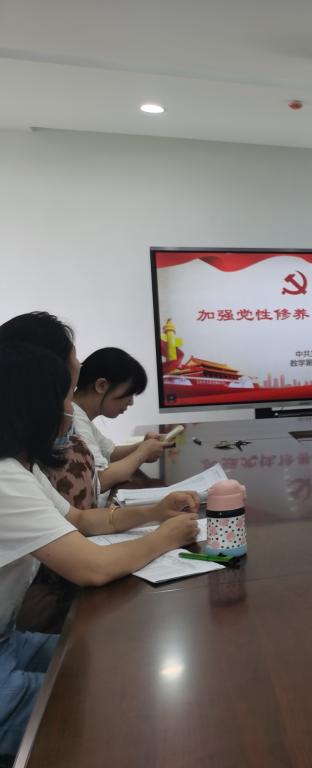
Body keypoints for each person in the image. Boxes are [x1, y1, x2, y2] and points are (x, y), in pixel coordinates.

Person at [0, 342, 199, 760]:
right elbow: (91, 567)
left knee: (115, 660)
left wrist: (155, 513)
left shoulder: (21, 467)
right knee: (116, 706)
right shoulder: (5, 479)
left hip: (9, 640)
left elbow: (81, 519)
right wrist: (165, 538)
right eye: (65, 397)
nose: (71, 411)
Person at [0, 312, 99, 508]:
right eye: (74, 357)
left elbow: (79, 518)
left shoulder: (31, 460)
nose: (79, 365)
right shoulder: (14, 469)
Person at [72, 347, 172, 493]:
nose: (131, 402)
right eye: (129, 394)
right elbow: (101, 479)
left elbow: (109, 453)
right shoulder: (74, 421)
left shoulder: (79, 415)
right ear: (101, 385)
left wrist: (145, 446)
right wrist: (143, 453)